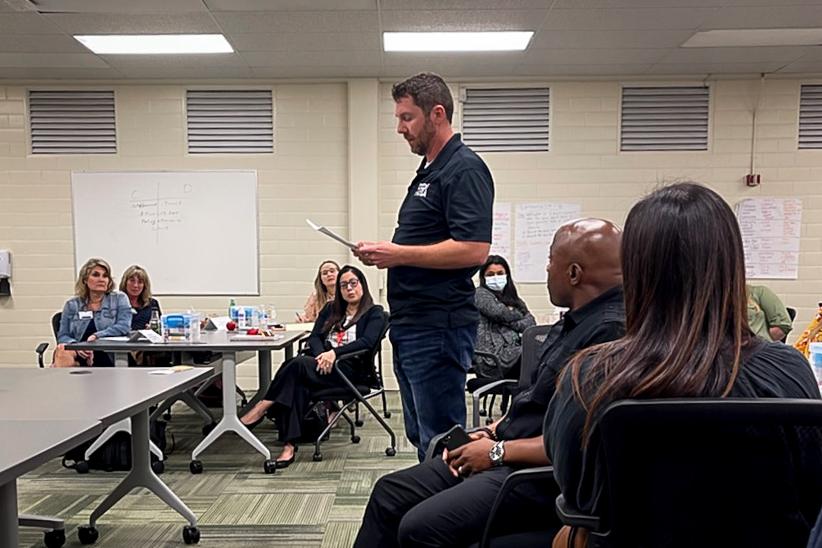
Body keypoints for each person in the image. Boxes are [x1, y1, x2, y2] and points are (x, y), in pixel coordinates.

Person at [545, 183, 821, 548]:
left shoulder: (590, 375)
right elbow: (811, 488)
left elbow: (576, 491)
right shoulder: (787, 370)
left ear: (635, 271)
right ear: (732, 265)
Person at [354, 219, 625, 548]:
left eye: (551, 260)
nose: (547, 268)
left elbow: (578, 443)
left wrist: (496, 452)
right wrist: (494, 429)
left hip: (531, 475)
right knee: (389, 494)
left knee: (419, 527)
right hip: (503, 449)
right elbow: (534, 405)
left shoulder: (609, 336)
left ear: (574, 274)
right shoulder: (572, 322)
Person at [354, 72, 494, 460]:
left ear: (437, 114)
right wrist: (387, 253)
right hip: (413, 323)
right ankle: (433, 513)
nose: (400, 129)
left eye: (406, 118)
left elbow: (474, 250)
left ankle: (450, 517)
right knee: (423, 436)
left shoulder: (464, 169)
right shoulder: (429, 171)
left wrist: (397, 254)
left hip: (439, 326)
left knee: (443, 441)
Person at [241, 265, 386, 468]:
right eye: (343, 285)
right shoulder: (330, 310)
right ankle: (288, 447)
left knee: (296, 365)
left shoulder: (375, 313)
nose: (349, 289)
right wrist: (321, 357)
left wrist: (334, 354)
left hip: (350, 372)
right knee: (297, 384)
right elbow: (315, 336)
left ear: (362, 284)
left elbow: (367, 343)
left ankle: (264, 404)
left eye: (353, 283)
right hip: (322, 367)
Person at [52, 258, 131, 367]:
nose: (101, 279)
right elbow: (63, 335)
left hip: (109, 352)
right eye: (96, 275)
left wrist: (96, 336)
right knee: (61, 350)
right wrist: (78, 346)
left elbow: (124, 326)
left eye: (105, 276)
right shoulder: (72, 304)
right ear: (85, 279)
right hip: (80, 352)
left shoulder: (119, 299)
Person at [473, 254, 536, 380]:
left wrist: (509, 320)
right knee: (533, 353)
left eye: (500, 273)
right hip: (492, 359)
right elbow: (499, 313)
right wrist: (515, 316)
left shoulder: (513, 298)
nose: (496, 278)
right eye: (490, 274)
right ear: (483, 278)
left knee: (541, 348)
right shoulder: (480, 294)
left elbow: (531, 323)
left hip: (512, 353)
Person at [120, 264, 161, 330]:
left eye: (140, 282)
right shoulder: (116, 302)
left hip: (145, 339)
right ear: (125, 283)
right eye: (132, 281)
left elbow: (160, 327)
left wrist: (154, 329)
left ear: (144, 285)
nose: (135, 285)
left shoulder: (152, 304)